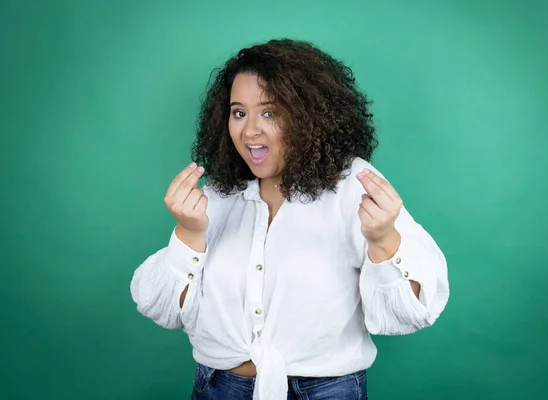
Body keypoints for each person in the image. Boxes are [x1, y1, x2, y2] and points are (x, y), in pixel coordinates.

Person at [130, 38, 450, 400]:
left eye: (270, 112)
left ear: (308, 115)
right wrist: (188, 234)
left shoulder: (354, 185)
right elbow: (163, 309)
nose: (250, 130)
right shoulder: (220, 194)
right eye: (239, 112)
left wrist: (383, 240)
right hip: (219, 388)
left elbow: (408, 314)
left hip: (326, 391)